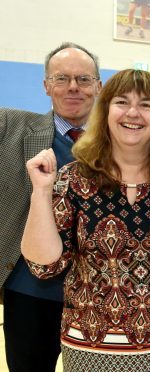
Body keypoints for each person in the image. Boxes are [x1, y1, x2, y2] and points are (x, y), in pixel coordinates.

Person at [21, 69, 150, 372]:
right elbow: (44, 266)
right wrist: (41, 193)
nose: (133, 113)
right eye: (122, 101)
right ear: (106, 110)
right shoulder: (74, 179)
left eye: (146, 104)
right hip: (89, 351)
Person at [0, 42, 101, 372]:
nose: (73, 87)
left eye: (83, 79)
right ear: (46, 85)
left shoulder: (119, 143)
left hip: (97, 294)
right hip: (29, 291)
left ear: (98, 86)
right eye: (61, 78)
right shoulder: (10, 127)